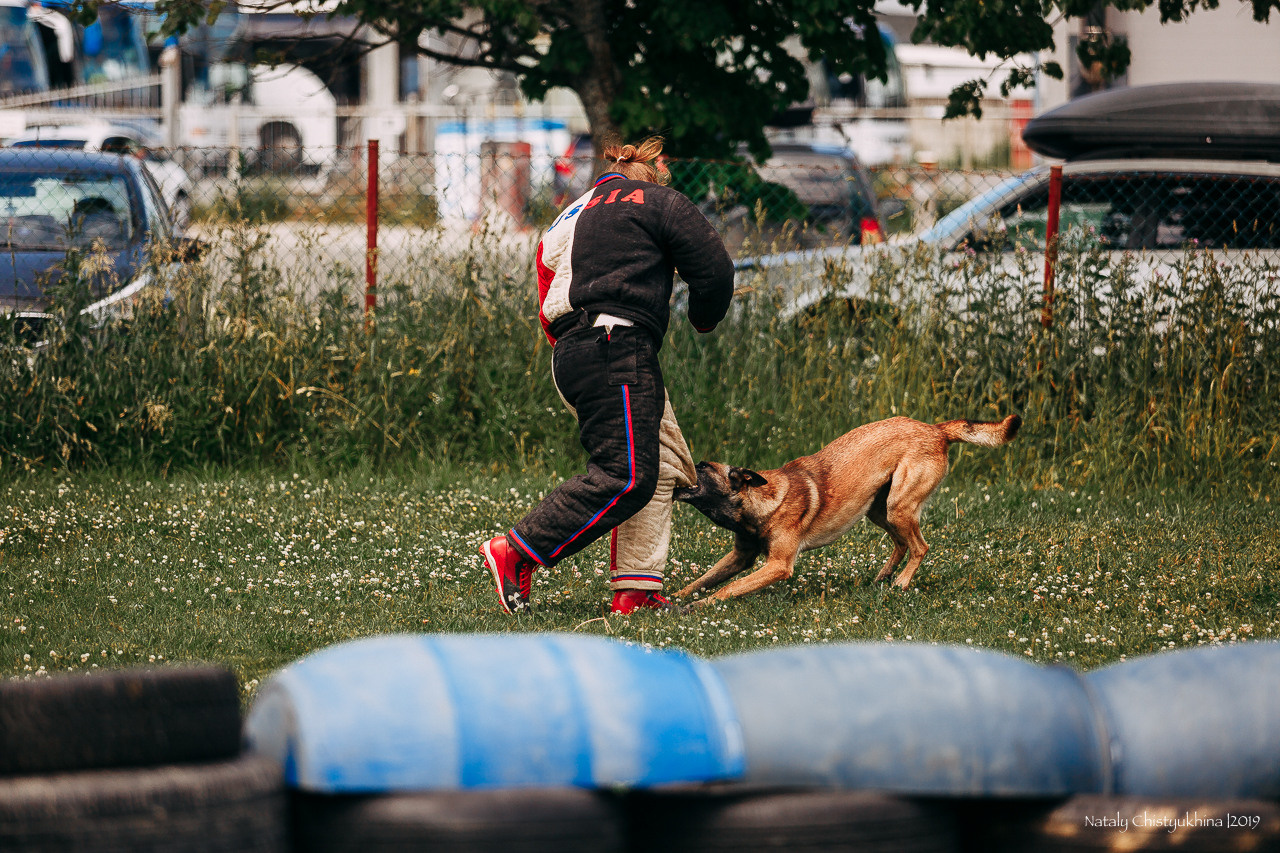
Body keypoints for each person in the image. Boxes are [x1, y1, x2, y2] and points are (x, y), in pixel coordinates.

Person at [480, 136, 735, 614]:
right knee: (626, 475)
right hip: (616, 345)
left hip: (576, 351)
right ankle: (516, 550)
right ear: (651, 177)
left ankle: (635, 591)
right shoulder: (659, 201)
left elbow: (546, 294)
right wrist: (704, 317)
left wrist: (580, 353)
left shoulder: (566, 217)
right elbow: (715, 268)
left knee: (660, 464)